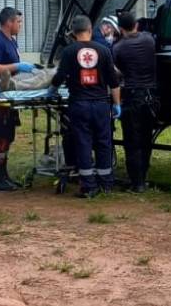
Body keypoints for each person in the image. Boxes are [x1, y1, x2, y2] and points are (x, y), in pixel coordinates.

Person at [50, 15, 121, 198]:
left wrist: (52, 89)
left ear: (73, 33)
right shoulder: (104, 50)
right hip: (100, 104)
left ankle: (88, 186)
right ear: (90, 30)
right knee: (104, 142)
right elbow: (114, 82)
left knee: (83, 142)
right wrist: (117, 104)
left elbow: (59, 77)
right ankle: (106, 184)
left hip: (79, 104)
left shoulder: (68, 51)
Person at [0, 6, 36, 191]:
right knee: (0, 135)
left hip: (10, 97)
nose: (20, 25)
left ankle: (4, 174)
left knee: (8, 135)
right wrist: (16, 65)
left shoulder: (11, 41)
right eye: (18, 22)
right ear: (9, 22)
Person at [112, 11, 158, 193]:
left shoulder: (118, 47)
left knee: (132, 140)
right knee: (146, 138)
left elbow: (114, 72)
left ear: (120, 29)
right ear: (136, 25)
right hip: (151, 97)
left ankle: (136, 182)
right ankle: (143, 175)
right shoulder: (149, 40)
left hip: (131, 96)